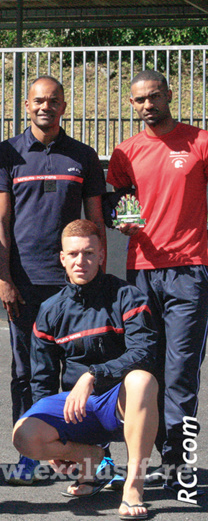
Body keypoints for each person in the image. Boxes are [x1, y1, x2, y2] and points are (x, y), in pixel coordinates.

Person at [0, 76, 107, 484]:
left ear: (63, 105)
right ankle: (30, 448)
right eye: (39, 100)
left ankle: (86, 451)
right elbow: (0, 221)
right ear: (27, 105)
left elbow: (94, 222)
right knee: (26, 370)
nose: (46, 107)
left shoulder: (84, 155)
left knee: (80, 368)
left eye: (53, 100)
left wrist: (96, 276)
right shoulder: (6, 153)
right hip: (23, 282)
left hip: (71, 285)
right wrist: (4, 278)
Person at [12, 219, 158, 520]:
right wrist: (57, 449)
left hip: (119, 404)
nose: (82, 261)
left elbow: (144, 353)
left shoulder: (127, 296)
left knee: (142, 380)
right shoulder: (51, 309)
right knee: (24, 435)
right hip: (79, 410)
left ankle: (133, 486)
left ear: (101, 255)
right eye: (74, 254)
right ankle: (92, 460)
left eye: (89, 253)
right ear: (62, 258)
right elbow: (42, 379)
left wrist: (93, 375)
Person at [106, 69, 208, 490]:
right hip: (141, 273)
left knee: (182, 371)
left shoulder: (200, 142)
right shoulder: (125, 152)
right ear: (131, 104)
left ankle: (178, 464)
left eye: (154, 96)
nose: (148, 105)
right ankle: (141, 460)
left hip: (190, 270)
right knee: (146, 369)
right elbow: (114, 203)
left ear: (168, 94)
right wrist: (119, 221)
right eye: (139, 100)